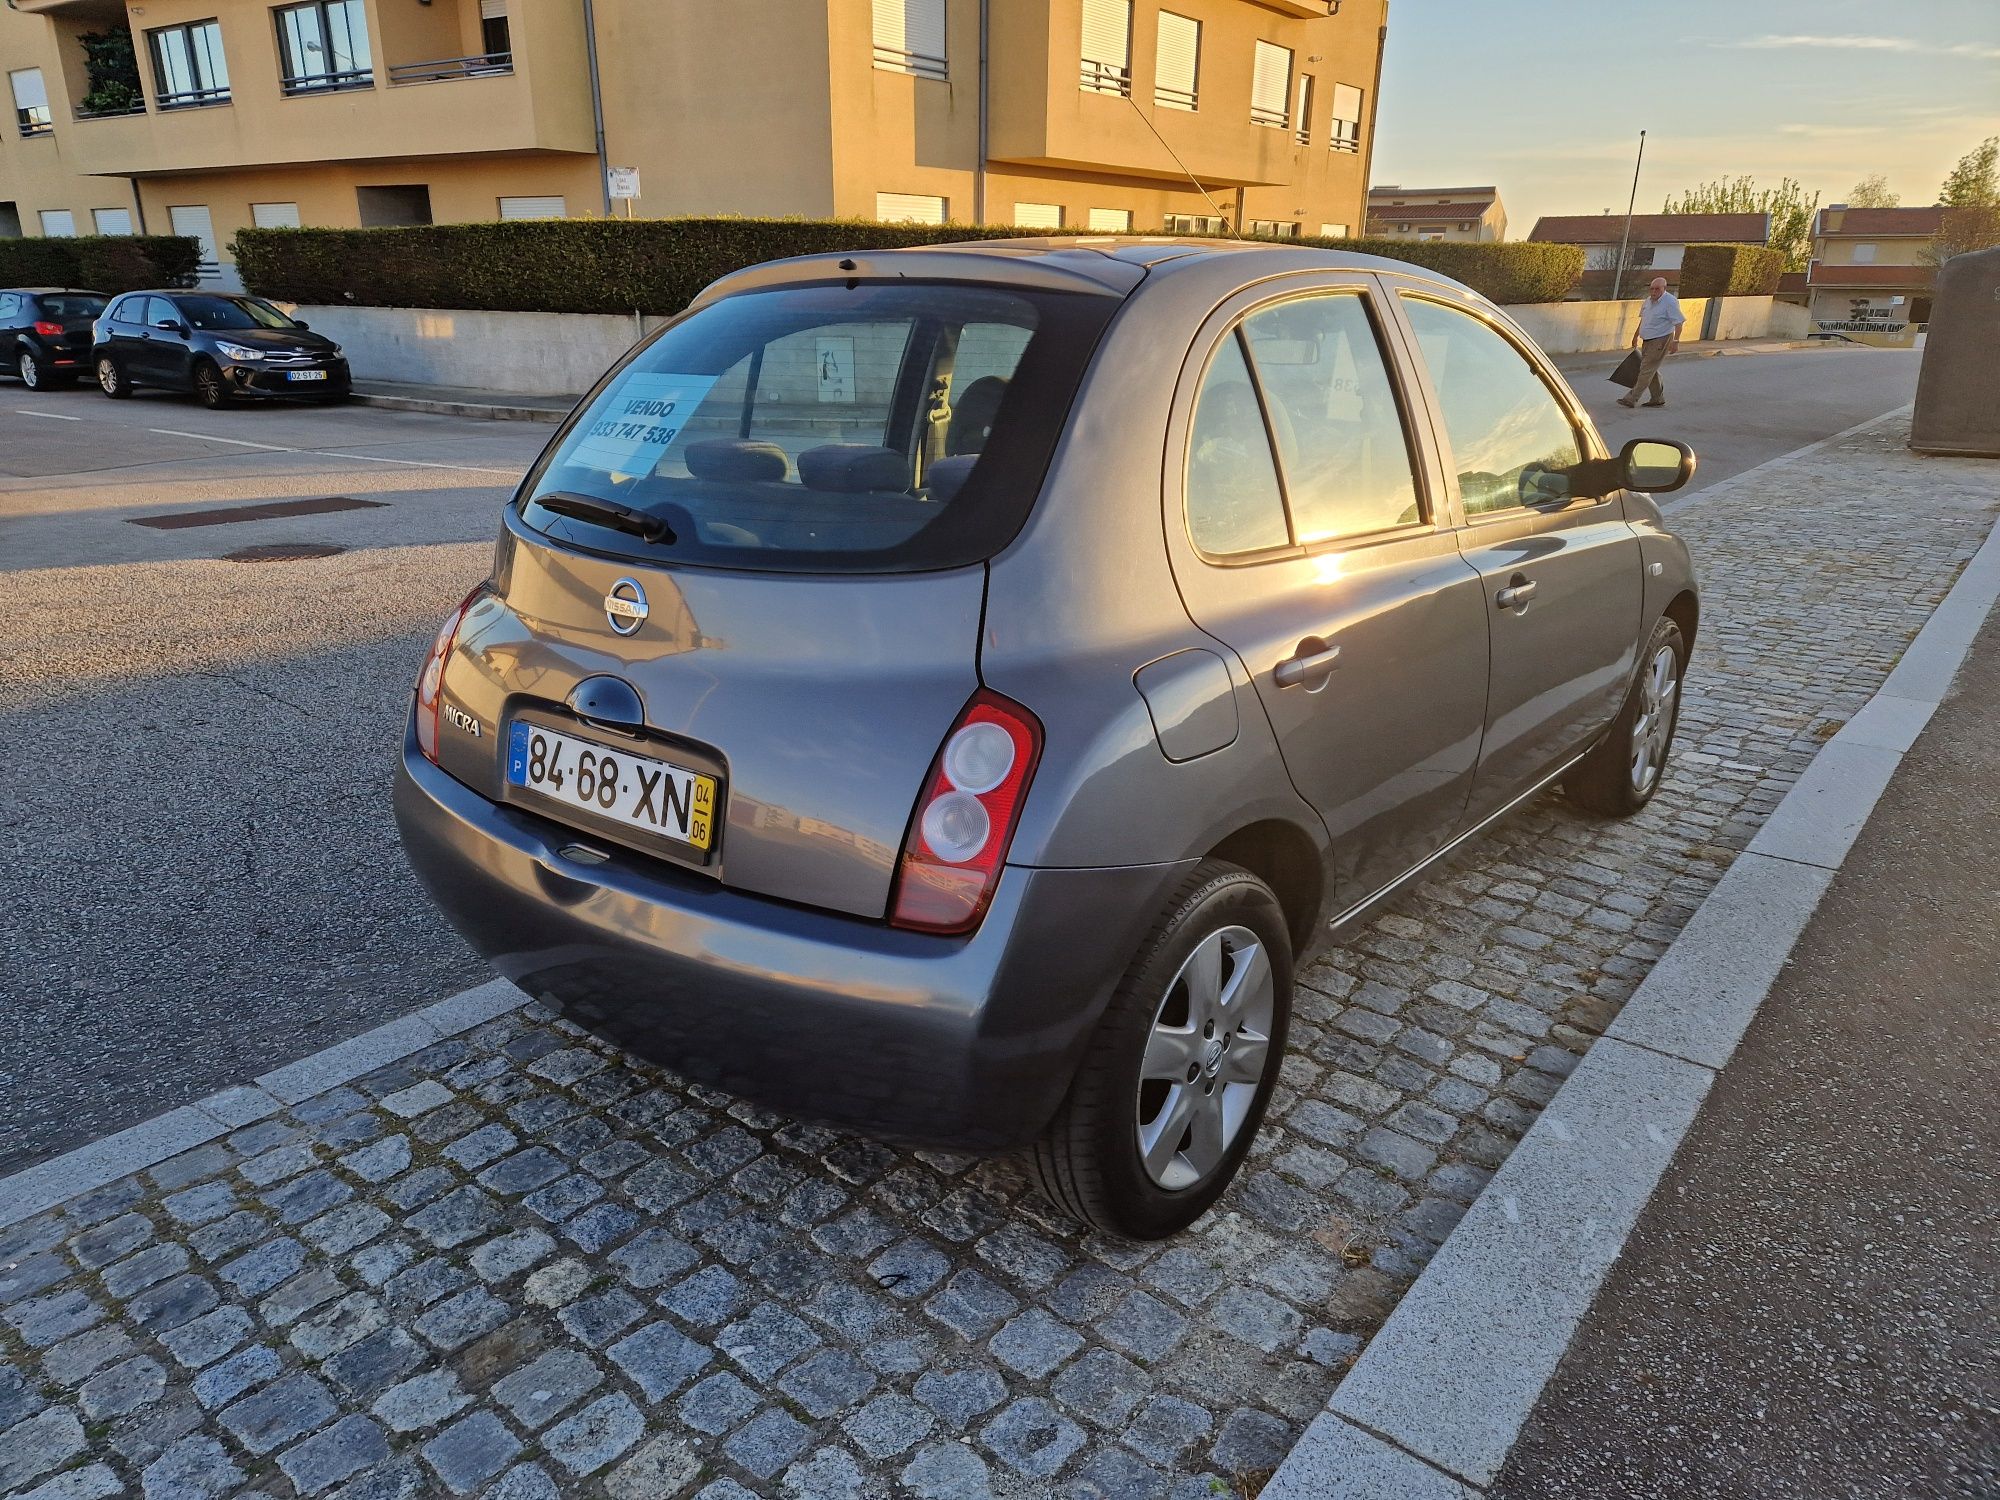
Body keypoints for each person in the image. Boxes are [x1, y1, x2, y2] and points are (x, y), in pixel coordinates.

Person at [1618, 276, 1684, 409]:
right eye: (1651, 289)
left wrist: (1676, 341)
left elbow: (1679, 322)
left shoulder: (1670, 302)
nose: (1654, 292)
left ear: (1664, 289)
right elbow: (1643, 320)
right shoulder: (1647, 301)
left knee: (1645, 370)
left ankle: (1631, 398)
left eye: (1657, 289)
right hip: (1647, 340)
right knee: (1650, 369)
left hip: (1661, 339)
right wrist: (1636, 336)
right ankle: (1657, 398)